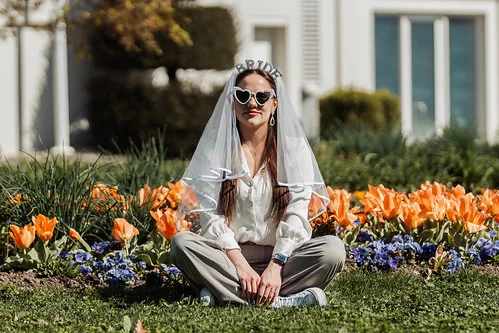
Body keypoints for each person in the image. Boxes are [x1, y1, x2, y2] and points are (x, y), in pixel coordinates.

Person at [171, 60, 346, 307]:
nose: (252, 103)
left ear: (275, 104)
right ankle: (281, 300)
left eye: (262, 96)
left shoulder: (293, 150)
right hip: (228, 258)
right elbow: (211, 219)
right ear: (232, 102)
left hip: (284, 259)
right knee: (182, 244)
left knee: (332, 251)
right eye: (243, 95)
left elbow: (297, 213)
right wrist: (240, 266)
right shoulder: (215, 152)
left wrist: (276, 266)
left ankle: (225, 293)